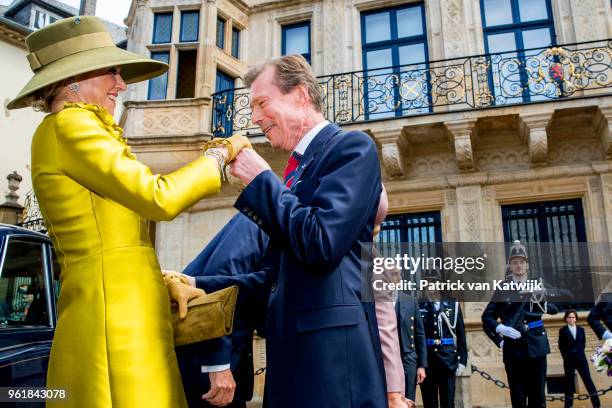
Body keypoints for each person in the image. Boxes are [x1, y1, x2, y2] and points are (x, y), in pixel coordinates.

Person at [8, 16, 249, 407]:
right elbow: (159, 198)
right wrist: (219, 154)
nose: (121, 85)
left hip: (126, 306)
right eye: (113, 72)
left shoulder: (78, 128)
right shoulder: (71, 125)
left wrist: (162, 279)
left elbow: (116, 236)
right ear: (75, 78)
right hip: (114, 314)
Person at [182, 54, 388, 407]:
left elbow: (320, 244)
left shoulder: (352, 149)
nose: (256, 118)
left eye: (263, 103)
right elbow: (276, 280)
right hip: (292, 366)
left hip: (333, 370)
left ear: (301, 95)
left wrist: (261, 180)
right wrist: (196, 286)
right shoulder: (297, 173)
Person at [174, 185, 411, 408]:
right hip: (202, 362)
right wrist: (218, 365)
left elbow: (384, 323)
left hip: (237, 362)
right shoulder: (261, 220)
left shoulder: (330, 246)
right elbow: (216, 293)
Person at [482, 240, 558, 408]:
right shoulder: (503, 288)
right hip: (514, 348)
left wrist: (543, 299)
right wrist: (500, 330)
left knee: (538, 396)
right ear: (510, 266)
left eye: (521, 262)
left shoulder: (538, 284)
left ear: (527, 265)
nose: (518, 265)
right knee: (518, 395)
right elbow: (486, 318)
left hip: (536, 345)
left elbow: (555, 308)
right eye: (515, 262)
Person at [419, 270, 467, 408]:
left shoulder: (452, 304)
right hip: (427, 361)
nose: (430, 286)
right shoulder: (419, 304)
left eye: (433, 282)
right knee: (429, 402)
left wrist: (463, 360)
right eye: (427, 283)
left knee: (448, 402)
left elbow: (461, 334)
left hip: (448, 359)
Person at [558, 309, 600, 408]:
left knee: (588, 380)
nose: (571, 319)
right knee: (569, 383)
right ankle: (568, 405)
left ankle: (596, 404)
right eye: (569, 317)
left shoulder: (581, 330)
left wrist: (580, 353)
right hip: (569, 361)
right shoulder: (562, 331)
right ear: (566, 319)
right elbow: (561, 346)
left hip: (581, 359)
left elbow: (583, 344)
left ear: (576, 319)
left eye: (573, 317)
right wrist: (566, 356)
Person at [396, 291, 427, 404]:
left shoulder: (410, 301)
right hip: (385, 360)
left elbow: (420, 334)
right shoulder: (377, 300)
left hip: (408, 358)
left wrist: (421, 366)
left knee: (409, 400)